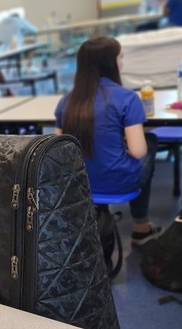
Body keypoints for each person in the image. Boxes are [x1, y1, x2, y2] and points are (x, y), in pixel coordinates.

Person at [54, 37, 160, 245]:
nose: (122, 61)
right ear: (110, 62)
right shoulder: (127, 98)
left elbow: (58, 150)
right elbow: (138, 151)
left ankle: (97, 218)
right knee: (151, 141)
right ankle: (141, 226)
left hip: (78, 183)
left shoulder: (66, 101)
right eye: (120, 57)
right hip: (118, 182)